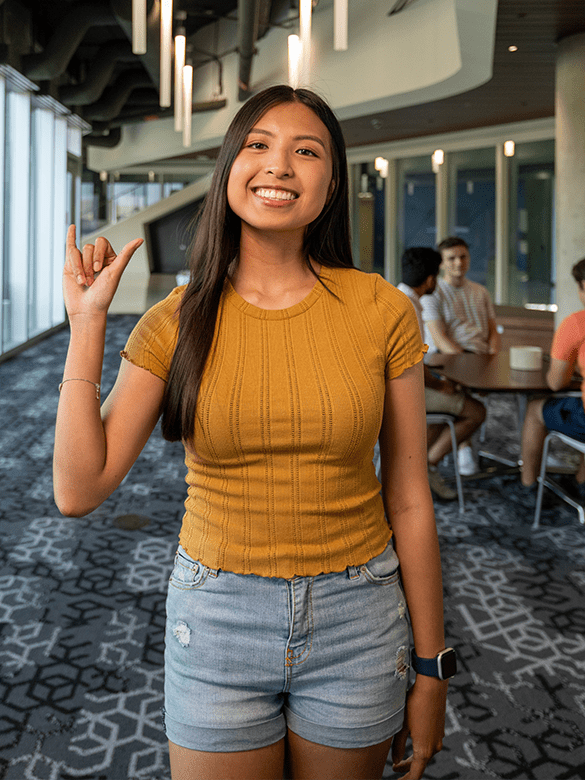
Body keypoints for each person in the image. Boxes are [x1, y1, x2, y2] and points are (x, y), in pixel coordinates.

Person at [54, 85, 453, 780]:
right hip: (217, 617)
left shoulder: (380, 310)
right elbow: (78, 489)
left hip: (357, 614)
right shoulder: (175, 321)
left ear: (331, 182)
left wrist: (432, 666)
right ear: (229, 170)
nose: (279, 166)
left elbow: (411, 499)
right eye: (257, 145)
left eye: (306, 151)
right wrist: (87, 326)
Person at [398, 247, 486, 500]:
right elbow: (412, 363)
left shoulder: (397, 297)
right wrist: (439, 386)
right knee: (477, 411)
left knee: (443, 412)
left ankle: (418, 465)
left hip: (397, 387)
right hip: (407, 391)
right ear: (429, 280)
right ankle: (428, 464)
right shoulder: (410, 308)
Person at [421, 236, 500, 475]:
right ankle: (460, 447)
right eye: (451, 258)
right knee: (465, 403)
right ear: (442, 263)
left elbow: (493, 330)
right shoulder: (432, 293)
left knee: (466, 403)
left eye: (463, 256)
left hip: (480, 358)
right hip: (447, 361)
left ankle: (429, 459)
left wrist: (493, 359)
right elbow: (440, 339)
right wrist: (472, 366)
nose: (458, 262)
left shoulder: (481, 291)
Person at [520, 257, 585, 500]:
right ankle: (581, 480)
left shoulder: (576, 324)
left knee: (536, 408)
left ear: (582, 287)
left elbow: (555, 383)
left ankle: (528, 487)